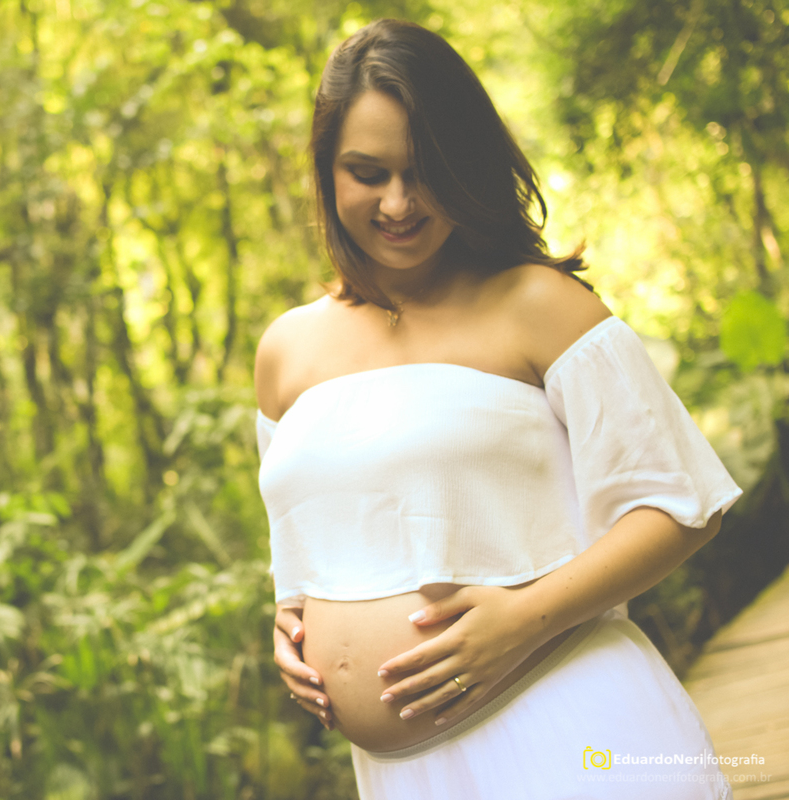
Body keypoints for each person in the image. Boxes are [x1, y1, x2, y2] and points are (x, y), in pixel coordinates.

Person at [253, 18, 742, 799]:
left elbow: (681, 505)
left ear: (467, 164)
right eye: (366, 172)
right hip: (403, 774)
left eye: (426, 171)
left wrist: (524, 619)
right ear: (326, 172)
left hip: (570, 720)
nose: (399, 202)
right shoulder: (286, 351)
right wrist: (290, 620)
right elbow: (303, 544)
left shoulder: (541, 307)